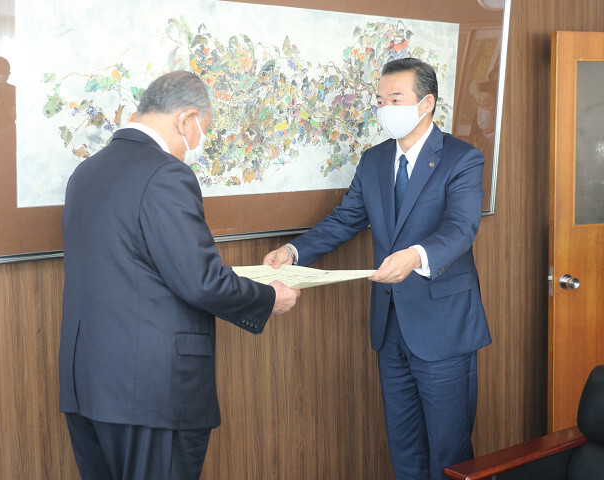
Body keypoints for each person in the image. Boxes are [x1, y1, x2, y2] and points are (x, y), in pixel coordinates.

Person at [59, 70, 301, 480]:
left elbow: (138, 267)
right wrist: (269, 298)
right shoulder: (166, 174)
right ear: (186, 119)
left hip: (88, 386)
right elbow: (200, 280)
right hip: (149, 392)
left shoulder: (86, 172)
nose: (199, 143)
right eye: (203, 129)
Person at [264, 58, 491, 480]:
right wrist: (293, 251)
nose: (385, 109)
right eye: (380, 101)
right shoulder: (374, 160)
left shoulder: (461, 158)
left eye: (395, 99)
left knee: (450, 453)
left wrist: (415, 256)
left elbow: (461, 229)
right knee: (403, 447)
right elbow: (345, 220)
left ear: (426, 103)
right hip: (390, 327)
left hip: (444, 327)